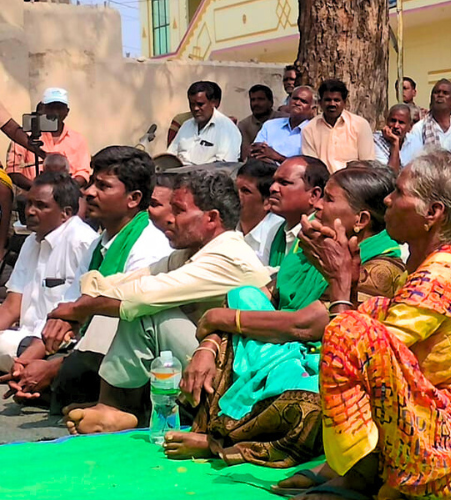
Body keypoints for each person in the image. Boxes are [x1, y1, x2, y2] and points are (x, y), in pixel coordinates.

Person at [277, 150, 451, 500]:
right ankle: (351, 465)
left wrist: (341, 289)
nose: (387, 200)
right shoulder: (434, 267)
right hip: (449, 438)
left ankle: (355, 477)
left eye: (400, 193)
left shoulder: (443, 276)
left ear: (432, 214)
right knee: (366, 314)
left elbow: (363, 350)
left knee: (352, 330)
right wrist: (352, 290)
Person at [168, 166, 407, 467]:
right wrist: (209, 344)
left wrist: (218, 318)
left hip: (319, 362)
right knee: (244, 297)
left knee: (316, 401)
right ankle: (214, 428)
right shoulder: (310, 246)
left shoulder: (382, 268)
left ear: (360, 221)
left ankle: (227, 440)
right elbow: (259, 299)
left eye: (329, 200)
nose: (317, 205)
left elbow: (306, 326)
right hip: (279, 350)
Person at [51, 171, 272, 434]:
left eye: (178, 211)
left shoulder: (228, 257)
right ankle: (117, 409)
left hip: (238, 377)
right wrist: (73, 311)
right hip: (209, 364)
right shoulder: (190, 253)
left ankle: (115, 408)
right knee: (137, 304)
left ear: (211, 218)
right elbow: (125, 281)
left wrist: (77, 310)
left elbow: (141, 296)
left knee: (148, 313)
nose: (169, 219)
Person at [8, 147, 173, 410]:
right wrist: (26, 364)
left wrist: (51, 369)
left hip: (128, 354)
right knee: (40, 360)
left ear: (134, 198)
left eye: (103, 186)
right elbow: (69, 309)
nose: (89, 192)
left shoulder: (150, 244)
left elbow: (115, 323)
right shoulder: (98, 245)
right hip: (87, 349)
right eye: (92, 183)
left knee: (71, 370)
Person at [0, 172, 96, 373]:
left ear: (65, 213)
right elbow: (11, 306)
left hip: (57, 345)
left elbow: (83, 316)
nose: (30, 211)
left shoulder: (82, 242)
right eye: (29, 204)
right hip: (23, 339)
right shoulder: (31, 241)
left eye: (41, 206)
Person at [6, 88, 90, 189]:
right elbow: (13, 171)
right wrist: (38, 188)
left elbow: (83, 172)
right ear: (42, 109)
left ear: (67, 111)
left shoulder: (78, 139)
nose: (55, 112)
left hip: (68, 197)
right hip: (30, 195)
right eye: (51, 107)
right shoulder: (24, 137)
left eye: (59, 108)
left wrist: (67, 189)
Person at [265, 156, 327, 270]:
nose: (273, 188)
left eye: (284, 183)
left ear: (314, 195)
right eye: (273, 182)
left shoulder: (320, 237)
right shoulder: (276, 230)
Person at [301, 78, 375, 172]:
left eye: (336, 100)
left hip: (354, 182)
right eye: (328, 100)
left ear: (345, 102)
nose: (332, 104)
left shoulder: (360, 125)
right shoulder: (309, 129)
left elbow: (367, 164)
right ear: (320, 103)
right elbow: (312, 167)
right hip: (324, 183)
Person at [168, 81, 241, 166]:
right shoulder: (186, 125)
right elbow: (170, 156)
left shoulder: (228, 129)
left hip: (208, 177)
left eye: (200, 104)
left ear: (213, 103)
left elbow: (224, 167)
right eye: (192, 104)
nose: (195, 108)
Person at [234, 160, 285, 267]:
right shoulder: (225, 226)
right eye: (235, 188)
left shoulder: (278, 234)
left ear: (267, 202)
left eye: (245, 191)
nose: (235, 195)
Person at [250, 85, 315, 163]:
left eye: (303, 101)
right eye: (295, 99)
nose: (297, 103)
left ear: (312, 109)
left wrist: (277, 157)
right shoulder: (270, 125)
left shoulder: (314, 132)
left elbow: (308, 166)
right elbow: (255, 151)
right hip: (264, 170)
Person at [238, 85, 279, 161]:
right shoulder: (244, 125)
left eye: (261, 99)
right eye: (253, 100)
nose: (256, 103)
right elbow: (245, 155)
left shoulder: (282, 119)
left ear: (271, 102)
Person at [373, 104, 415, 173]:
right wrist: (395, 143)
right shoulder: (376, 141)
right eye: (393, 121)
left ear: (410, 127)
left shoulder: (414, 141)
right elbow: (391, 175)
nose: (396, 126)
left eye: (401, 123)